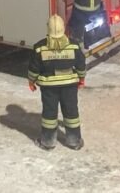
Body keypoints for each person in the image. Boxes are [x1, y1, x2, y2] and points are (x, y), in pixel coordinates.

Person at [27, 14, 87, 151]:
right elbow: (81, 65)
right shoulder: (74, 46)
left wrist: (32, 81)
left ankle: (48, 142)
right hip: (69, 87)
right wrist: (81, 79)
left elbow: (34, 68)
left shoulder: (39, 47)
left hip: (49, 88)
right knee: (71, 112)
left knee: (49, 113)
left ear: (48, 29)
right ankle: (74, 141)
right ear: (63, 28)